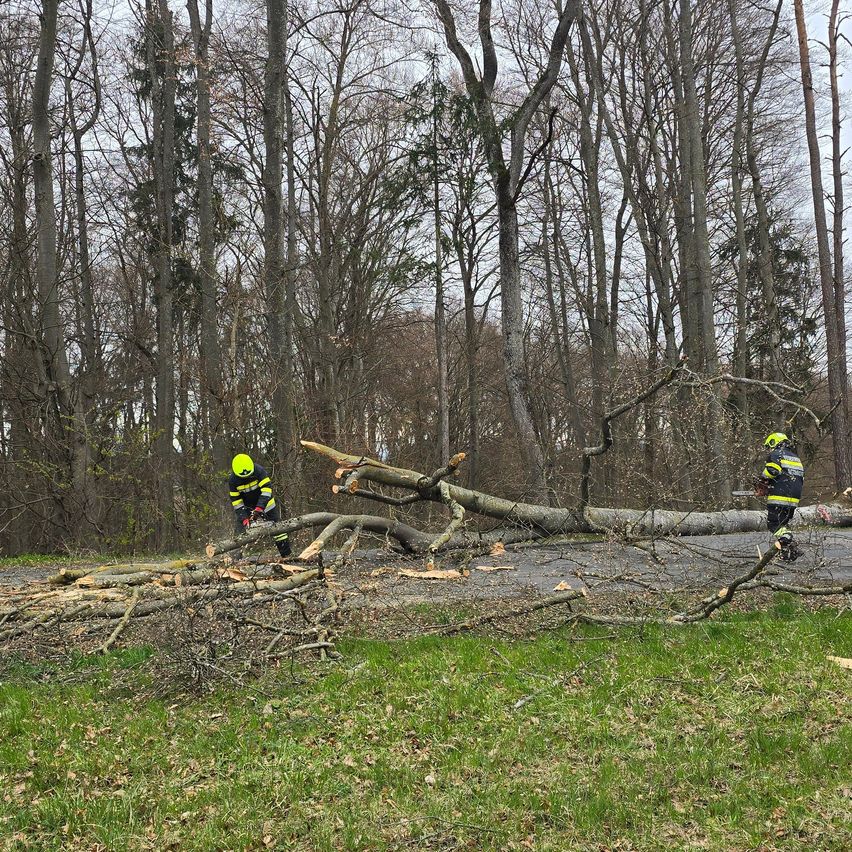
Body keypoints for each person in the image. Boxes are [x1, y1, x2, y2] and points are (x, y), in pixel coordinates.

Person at [228, 453, 291, 558]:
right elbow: (236, 502)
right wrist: (244, 518)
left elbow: (266, 490)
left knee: (278, 530)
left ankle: (287, 556)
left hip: (267, 504)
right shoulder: (233, 480)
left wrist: (260, 508)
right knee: (239, 533)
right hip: (247, 507)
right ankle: (236, 559)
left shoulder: (259, 471)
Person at [756, 432, 803, 561]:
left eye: (769, 446)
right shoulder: (795, 457)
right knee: (783, 524)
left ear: (773, 442)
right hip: (793, 498)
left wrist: (762, 481)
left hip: (779, 496)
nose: (769, 449)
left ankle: (786, 539)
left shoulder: (776, 454)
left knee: (774, 525)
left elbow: (772, 471)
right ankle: (789, 552)